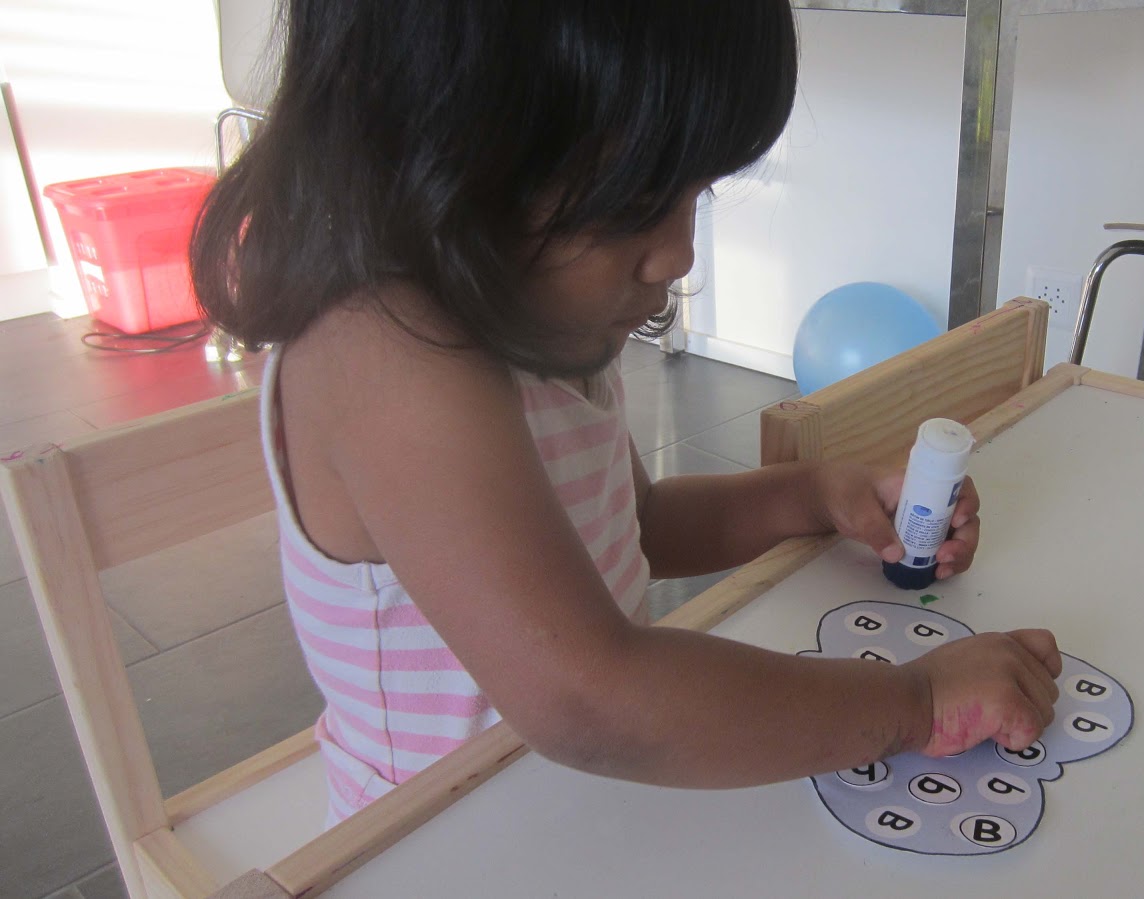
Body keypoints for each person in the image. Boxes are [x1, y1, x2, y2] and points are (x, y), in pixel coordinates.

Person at [191, 0, 1062, 824]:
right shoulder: (385, 354)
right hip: (430, 843)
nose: (680, 253)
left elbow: (635, 524)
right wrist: (916, 700)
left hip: (586, 809)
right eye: (636, 203)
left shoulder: (528, 309)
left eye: (696, 194)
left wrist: (816, 494)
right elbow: (588, 699)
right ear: (443, 145)